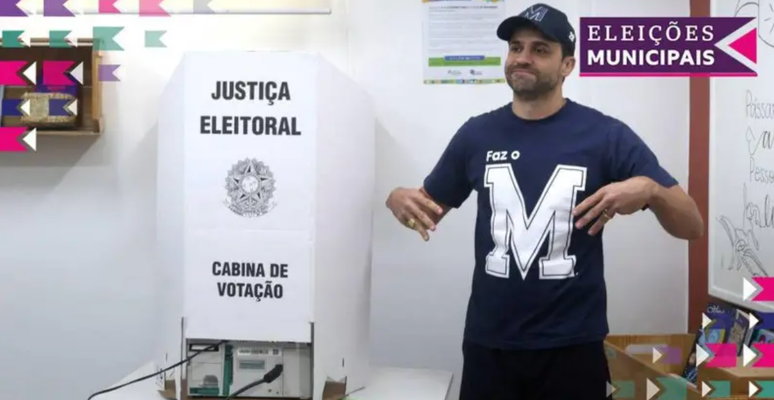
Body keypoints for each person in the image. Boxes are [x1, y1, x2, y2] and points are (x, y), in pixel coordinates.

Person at [384, 3, 704, 400]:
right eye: (516, 47)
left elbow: (692, 227)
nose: (522, 58)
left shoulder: (605, 135)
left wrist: (650, 190)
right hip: (490, 343)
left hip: (573, 346)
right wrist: (395, 198)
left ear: (567, 65)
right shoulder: (476, 135)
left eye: (540, 49)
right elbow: (424, 212)